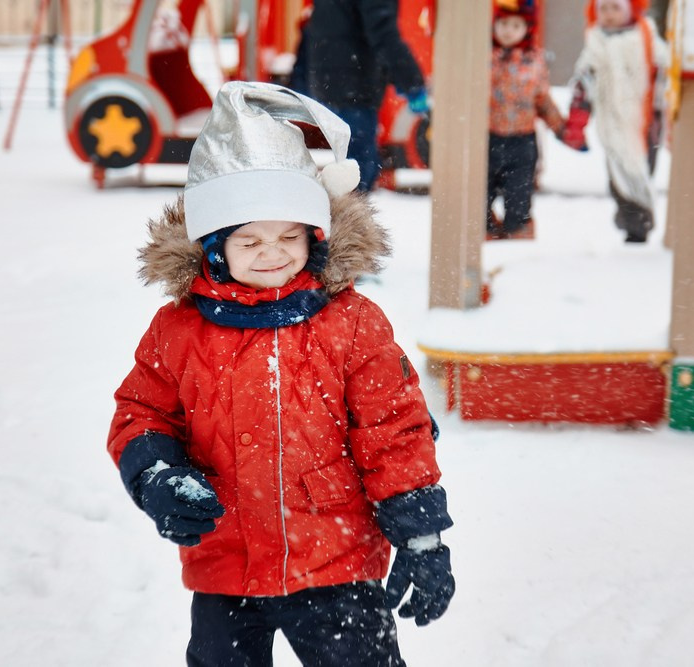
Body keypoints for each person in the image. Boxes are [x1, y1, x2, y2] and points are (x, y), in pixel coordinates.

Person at [107, 81, 455, 666]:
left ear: (313, 235)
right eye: (250, 240)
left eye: (289, 236)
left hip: (335, 563)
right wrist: (158, 476)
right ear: (214, 247)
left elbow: (394, 431)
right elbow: (141, 413)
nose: (273, 253)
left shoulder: (351, 324)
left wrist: (420, 536)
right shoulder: (179, 330)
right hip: (226, 565)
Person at [562, 0, 669, 243]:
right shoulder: (596, 42)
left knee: (643, 170)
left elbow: (665, 66)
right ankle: (634, 224)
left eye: (615, 8)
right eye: (604, 9)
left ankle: (639, 219)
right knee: (619, 173)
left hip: (645, 120)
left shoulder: (646, 34)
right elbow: (584, 80)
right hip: (612, 121)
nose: (609, 15)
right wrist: (579, 117)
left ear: (629, 10)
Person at [296, 0, 430, 192]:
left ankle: (341, 215)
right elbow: (383, 33)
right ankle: (346, 218)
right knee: (358, 171)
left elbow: (315, 27)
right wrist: (411, 81)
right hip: (354, 84)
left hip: (332, 80)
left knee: (351, 168)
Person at [487, 0, 566, 241]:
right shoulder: (486, 57)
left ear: (526, 29)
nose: (508, 30)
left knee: (519, 193)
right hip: (488, 137)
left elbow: (542, 99)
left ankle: (517, 227)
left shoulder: (533, 60)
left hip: (522, 141)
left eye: (515, 25)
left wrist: (561, 127)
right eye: (503, 24)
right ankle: (485, 228)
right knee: (481, 191)